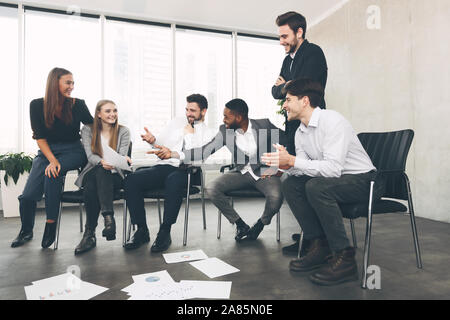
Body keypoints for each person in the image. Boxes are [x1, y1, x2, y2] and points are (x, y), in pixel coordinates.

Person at [262, 78, 381, 286]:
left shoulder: (333, 121)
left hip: (365, 181)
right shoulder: (300, 132)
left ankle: (345, 258)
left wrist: (293, 161)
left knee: (316, 186)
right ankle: (319, 245)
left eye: (288, 100)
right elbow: (306, 167)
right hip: (336, 181)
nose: (285, 105)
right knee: (291, 184)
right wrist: (287, 164)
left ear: (305, 101)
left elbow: (332, 169)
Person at [156, 98, 285, 242]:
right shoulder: (225, 132)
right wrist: (173, 154)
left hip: (264, 173)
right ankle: (240, 224)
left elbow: (288, 142)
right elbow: (204, 151)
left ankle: (259, 225)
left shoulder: (264, 125)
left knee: (276, 196)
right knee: (211, 188)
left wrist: (279, 168)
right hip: (241, 172)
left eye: (226, 117)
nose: (223, 120)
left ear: (239, 117)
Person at [11, 67, 93, 249]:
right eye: (68, 82)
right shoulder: (36, 105)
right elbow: (40, 137)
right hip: (47, 151)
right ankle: (26, 231)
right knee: (27, 196)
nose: (72, 86)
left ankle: (51, 224)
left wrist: (116, 129)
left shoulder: (77, 104)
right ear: (55, 83)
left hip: (73, 150)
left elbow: (94, 126)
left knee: (52, 173)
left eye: (73, 83)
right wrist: (52, 160)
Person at [124, 94, 215, 253]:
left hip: (187, 170)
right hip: (164, 167)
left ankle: (165, 231)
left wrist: (189, 134)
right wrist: (153, 141)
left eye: (193, 110)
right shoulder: (176, 122)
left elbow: (198, 158)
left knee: (174, 180)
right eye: (187, 109)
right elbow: (162, 145)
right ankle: (142, 230)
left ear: (204, 111)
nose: (188, 113)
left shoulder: (208, 133)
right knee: (132, 180)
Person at [272, 11, 328, 255]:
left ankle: (318, 239)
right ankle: (311, 233)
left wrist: (285, 85)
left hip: (311, 124)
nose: (281, 40)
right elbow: (275, 91)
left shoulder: (313, 53)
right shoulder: (288, 59)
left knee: (310, 182)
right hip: (293, 126)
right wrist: (286, 86)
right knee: (295, 180)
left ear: (299, 32)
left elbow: (306, 87)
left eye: (284, 36)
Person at [73, 100, 131, 255]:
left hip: (115, 176)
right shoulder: (87, 130)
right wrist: (102, 162)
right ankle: (108, 218)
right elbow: (90, 155)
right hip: (91, 172)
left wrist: (122, 160)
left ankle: (89, 234)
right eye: (108, 111)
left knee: (94, 184)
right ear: (98, 114)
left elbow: (122, 155)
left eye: (115, 110)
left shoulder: (123, 131)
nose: (112, 114)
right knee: (100, 171)